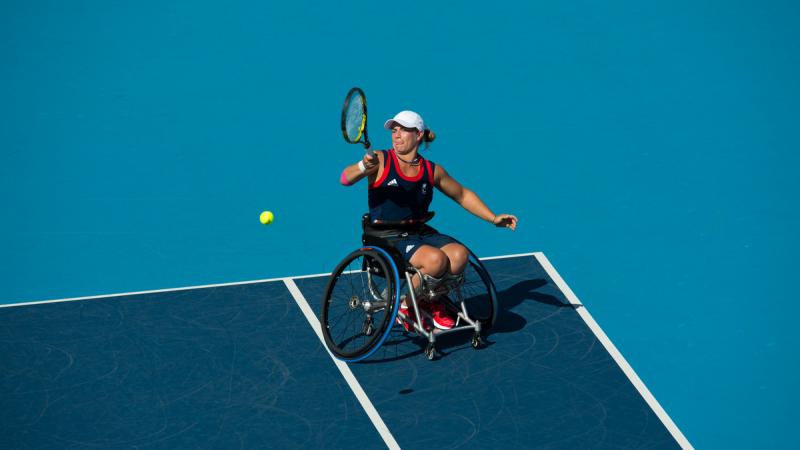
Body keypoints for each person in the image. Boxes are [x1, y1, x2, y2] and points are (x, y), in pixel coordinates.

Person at [339, 110, 517, 330]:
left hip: (418, 231)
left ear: (418, 135)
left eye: (403, 129)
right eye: (394, 130)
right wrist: (363, 167)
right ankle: (404, 305)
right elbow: (345, 179)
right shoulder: (380, 160)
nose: (396, 135)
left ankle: (430, 301)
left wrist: (493, 218)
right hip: (386, 234)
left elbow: (461, 194)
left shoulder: (431, 170)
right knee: (435, 261)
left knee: (460, 255)